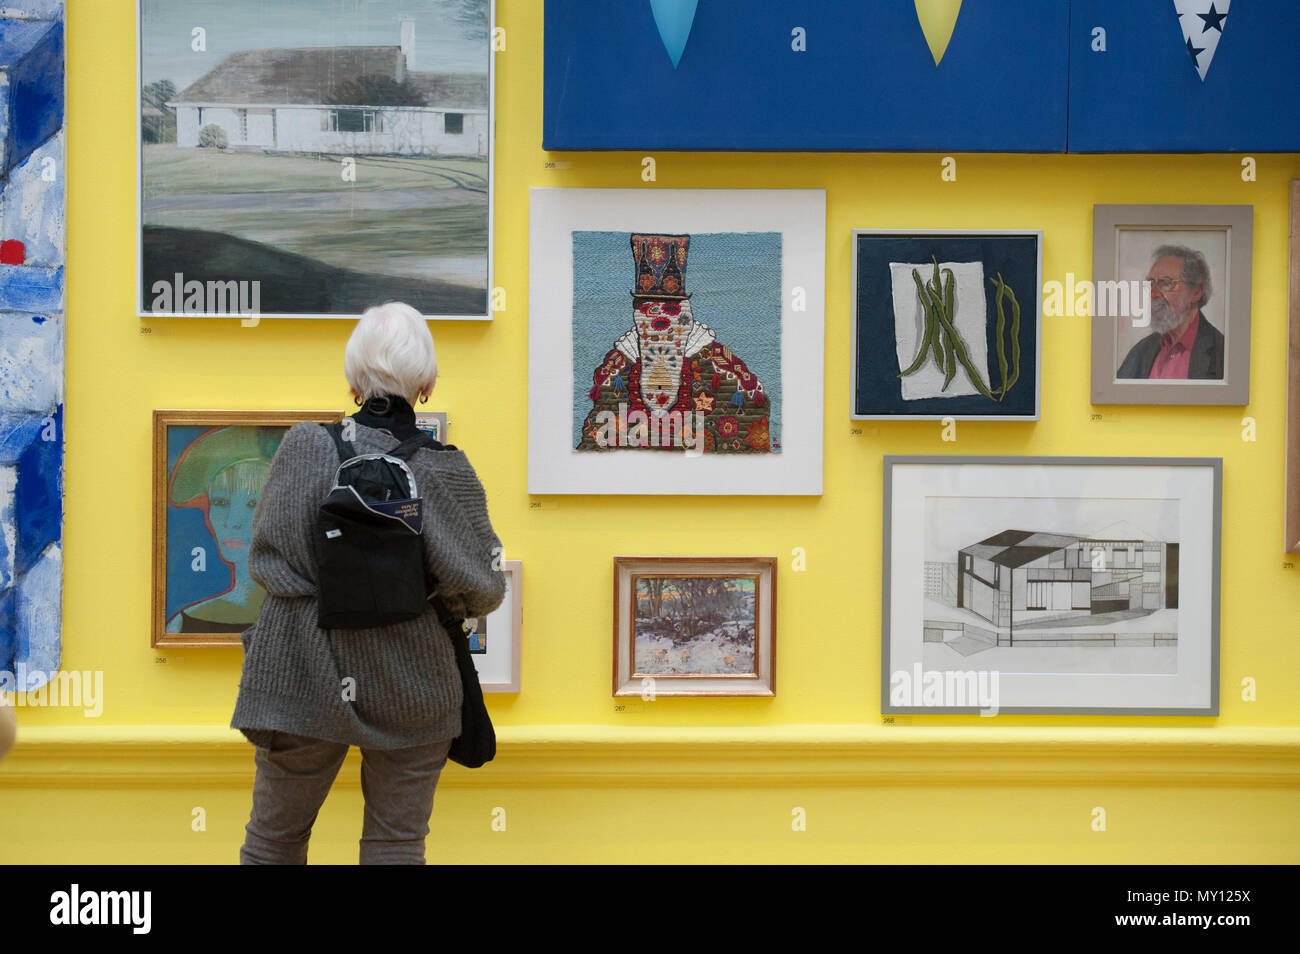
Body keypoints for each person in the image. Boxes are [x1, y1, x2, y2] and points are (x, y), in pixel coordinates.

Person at [230, 301, 506, 865]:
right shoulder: (445, 468)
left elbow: (269, 561)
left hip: (301, 671)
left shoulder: (305, 444)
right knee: (396, 846)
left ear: (353, 381)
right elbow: (481, 589)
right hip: (413, 678)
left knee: (273, 842)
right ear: (426, 384)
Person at [577, 233, 775, 453]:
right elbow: (594, 440)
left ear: (685, 315)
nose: (660, 320)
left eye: (670, 309)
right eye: (649, 310)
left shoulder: (721, 366)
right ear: (638, 315)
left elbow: (751, 422)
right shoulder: (616, 370)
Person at [1117, 244, 1224, 380]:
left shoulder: (1222, 354)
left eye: (1166, 283)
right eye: (1150, 283)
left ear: (1196, 292)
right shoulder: (1141, 352)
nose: (1153, 294)